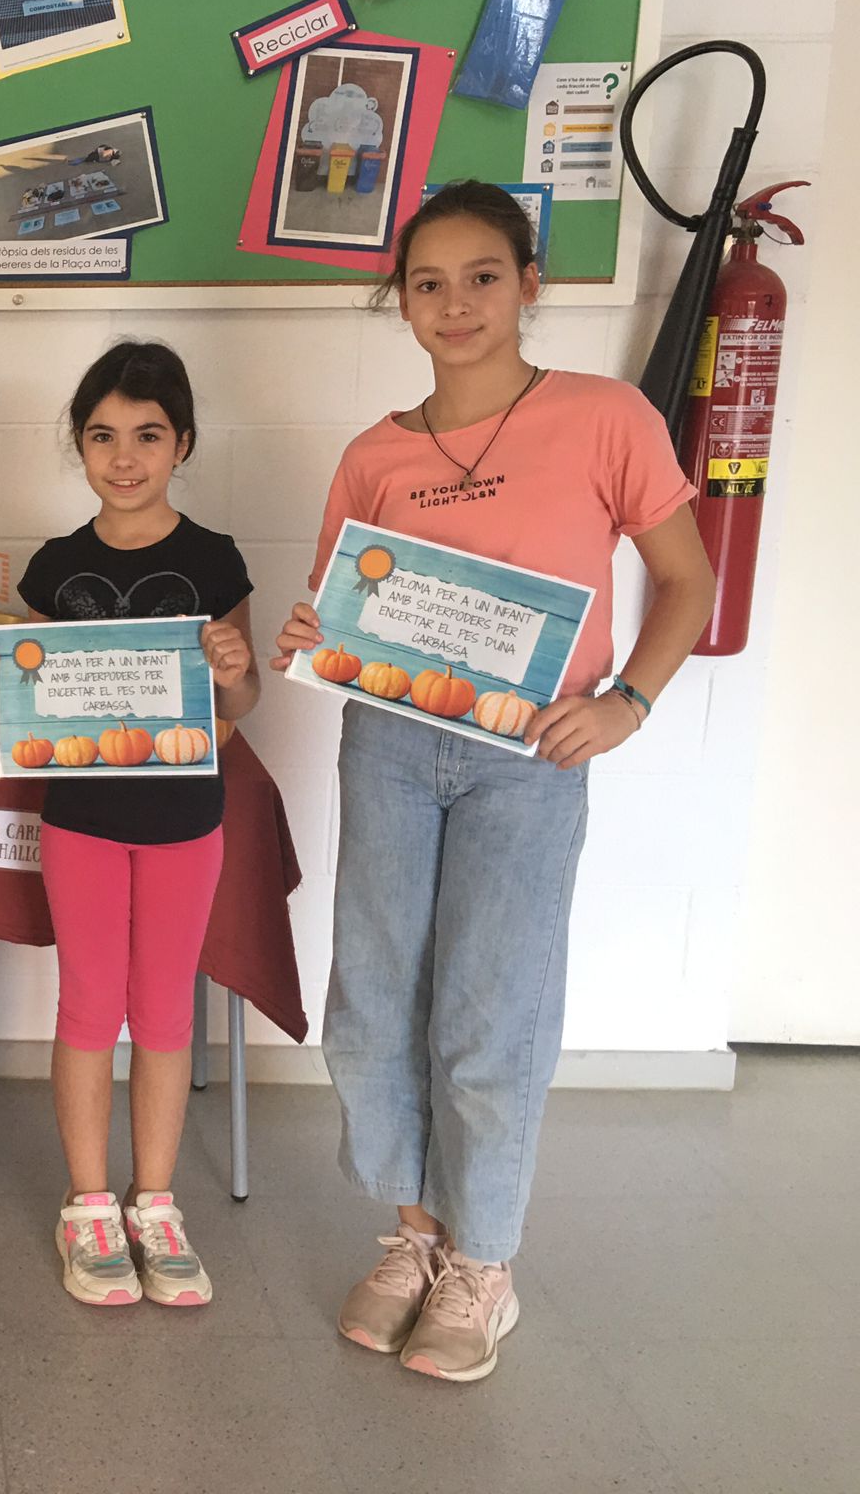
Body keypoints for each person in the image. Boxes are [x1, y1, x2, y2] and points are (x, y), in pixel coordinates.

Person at [271, 180, 716, 1382]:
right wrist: (314, 630)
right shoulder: (373, 454)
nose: (453, 303)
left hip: (528, 761)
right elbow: (346, 606)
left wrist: (624, 703)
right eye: (426, 283)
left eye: (480, 277)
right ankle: (414, 1236)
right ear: (400, 301)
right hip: (388, 745)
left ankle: (483, 1262)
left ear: (527, 285)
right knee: (372, 997)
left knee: (488, 1010)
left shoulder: (604, 417)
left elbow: (686, 580)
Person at [0, 341, 260, 1307]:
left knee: (166, 1010)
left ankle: (155, 1202)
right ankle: (89, 1204)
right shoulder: (56, 567)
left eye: (147, 435)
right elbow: (31, 707)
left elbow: (242, 702)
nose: (124, 457)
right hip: (82, 822)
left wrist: (232, 672)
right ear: (79, 445)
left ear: (183, 444)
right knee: (90, 1005)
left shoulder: (214, 559)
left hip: (186, 822)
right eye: (102, 436)